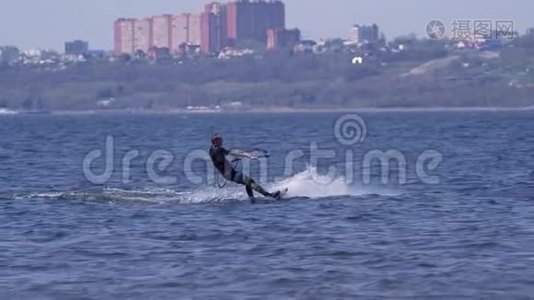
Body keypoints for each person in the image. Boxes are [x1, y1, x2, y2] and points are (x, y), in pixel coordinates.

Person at [209, 133, 281, 200]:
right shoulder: (218, 149)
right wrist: (248, 156)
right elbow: (232, 152)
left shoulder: (212, 149)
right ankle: (269, 195)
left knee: (248, 182)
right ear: (215, 141)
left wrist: (234, 159)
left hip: (228, 173)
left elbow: (219, 159)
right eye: (220, 139)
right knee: (249, 181)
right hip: (230, 174)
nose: (222, 140)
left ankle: (252, 199)